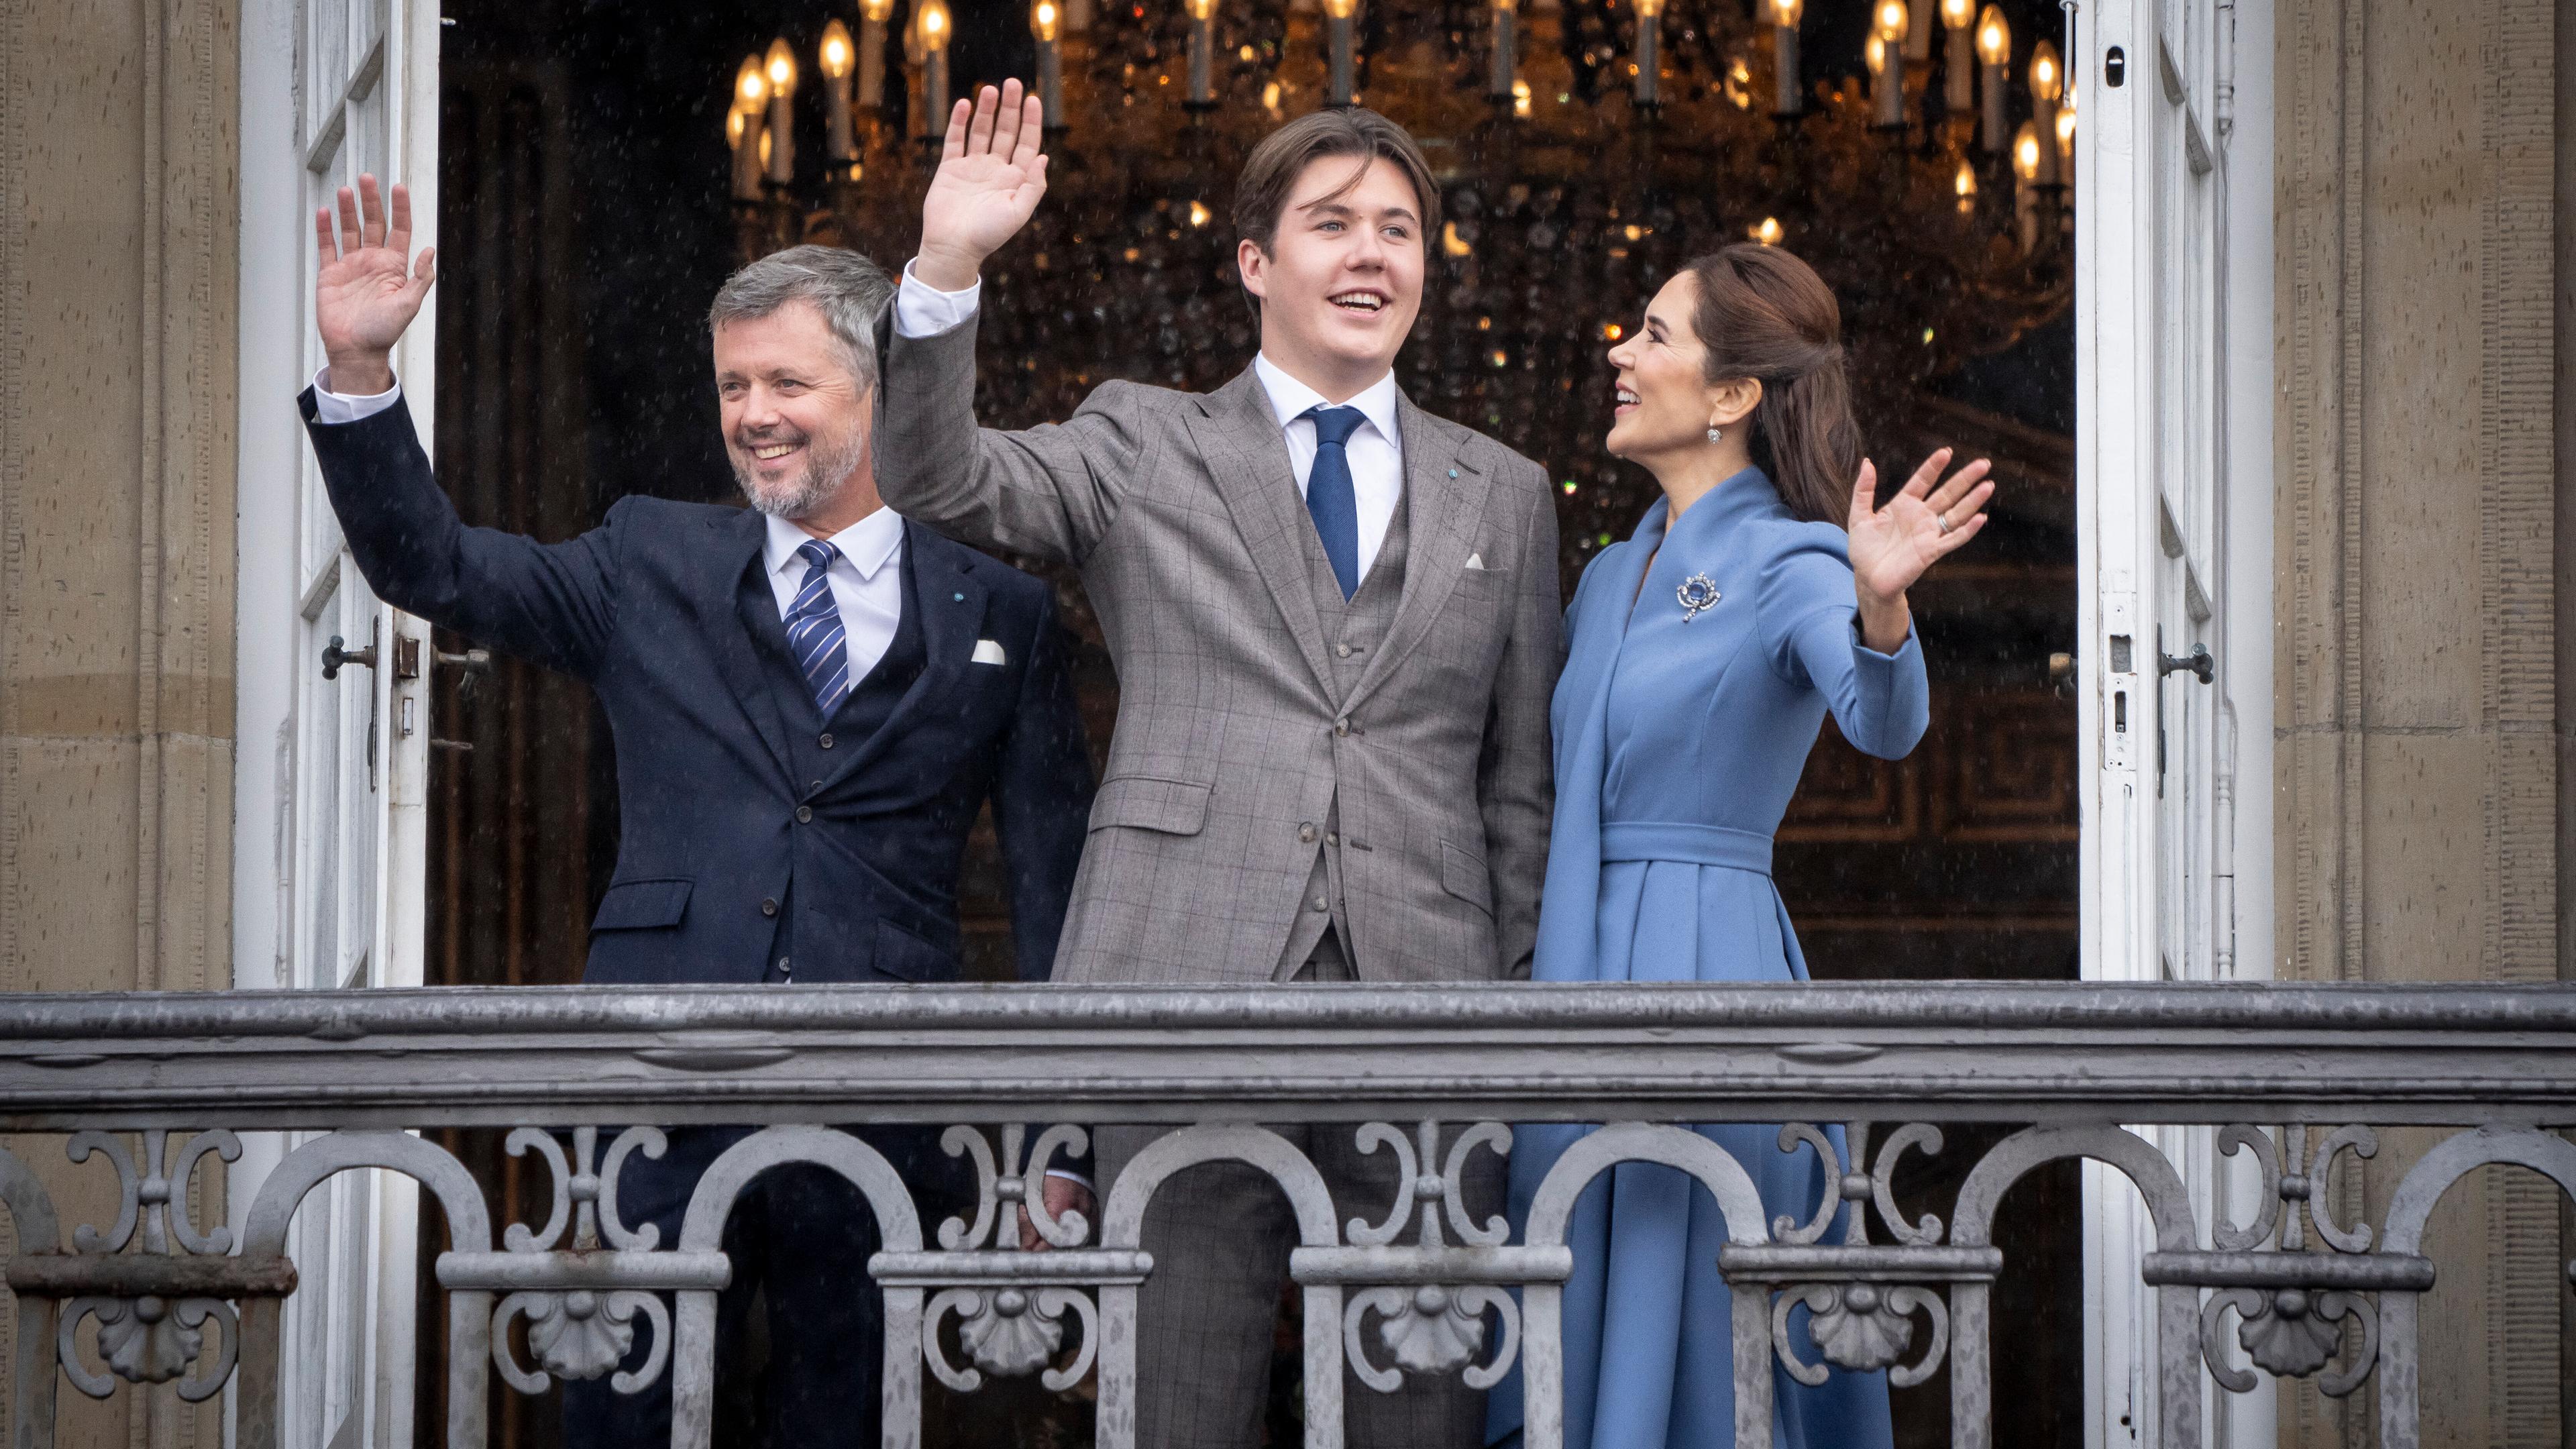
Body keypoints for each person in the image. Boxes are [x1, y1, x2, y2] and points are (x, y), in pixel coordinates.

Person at [299, 181, 1093, 1447]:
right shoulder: (646, 559)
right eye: (733, 388)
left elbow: (1058, 899)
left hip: (889, 1102)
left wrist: (1059, 1144)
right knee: (627, 1413)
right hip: (653, 1083)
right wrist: (358, 367)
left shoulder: (1002, 611)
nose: (754, 419)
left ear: (874, 385)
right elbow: (432, 566)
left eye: (786, 384)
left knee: (852, 1421)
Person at [873, 84, 1562, 1449]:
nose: (1372, 254)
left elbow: (1517, 787)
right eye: (1332, 225)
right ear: (1256, 263)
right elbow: (939, 481)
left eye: (1400, 230)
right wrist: (948, 266)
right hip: (1179, 990)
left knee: (1415, 1416)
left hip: (1426, 1012)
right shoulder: (1142, 441)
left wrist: (1517, 1022)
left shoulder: (1510, 491)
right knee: (1175, 1407)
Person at [1489, 244, 1992, 1449]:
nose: (1620, 353)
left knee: (1698, 1324)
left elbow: (1883, 723)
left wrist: (1883, 604)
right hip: (1575, 955)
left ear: (1731, 396)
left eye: (1654, 335)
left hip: (1702, 960)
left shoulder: (1792, 559)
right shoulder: (1610, 573)